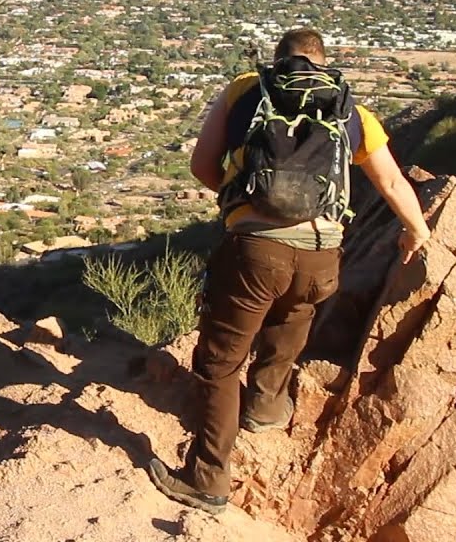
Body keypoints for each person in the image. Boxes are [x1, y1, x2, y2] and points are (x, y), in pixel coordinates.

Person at [148, 28, 432, 514]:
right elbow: (389, 179)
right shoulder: (352, 111)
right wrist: (416, 229)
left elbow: (201, 164)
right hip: (323, 252)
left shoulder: (247, 87)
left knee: (220, 361)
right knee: (291, 321)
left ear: (279, 59)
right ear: (323, 62)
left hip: (255, 251)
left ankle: (207, 477)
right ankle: (264, 407)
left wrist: (236, 202)